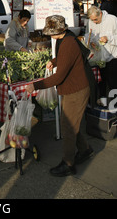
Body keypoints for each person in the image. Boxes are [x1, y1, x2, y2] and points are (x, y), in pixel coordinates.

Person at [25, 15, 93, 177]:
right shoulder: (66, 38)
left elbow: (59, 77)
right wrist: (54, 61)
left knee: (68, 127)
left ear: (57, 31)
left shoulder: (68, 42)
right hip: (72, 89)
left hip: (76, 90)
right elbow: (66, 60)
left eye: (50, 32)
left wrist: (36, 85)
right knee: (71, 124)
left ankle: (68, 163)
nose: (48, 35)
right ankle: (85, 150)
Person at [87, 5, 117, 103]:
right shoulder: (90, 22)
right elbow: (88, 35)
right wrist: (91, 42)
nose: (94, 22)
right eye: (92, 20)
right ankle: (102, 102)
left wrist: (108, 39)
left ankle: (115, 104)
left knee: (113, 82)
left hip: (112, 56)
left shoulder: (112, 19)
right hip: (98, 58)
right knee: (100, 82)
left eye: (96, 19)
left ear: (100, 14)